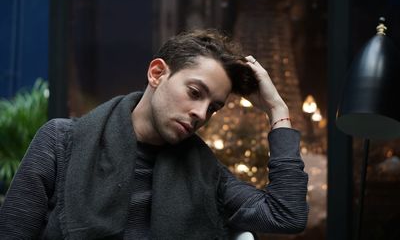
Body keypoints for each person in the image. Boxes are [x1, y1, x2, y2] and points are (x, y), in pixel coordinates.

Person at [0, 29, 308, 239]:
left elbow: (286, 216)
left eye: (213, 107)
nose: (201, 114)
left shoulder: (205, 172)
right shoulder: (61, 142)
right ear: (157, 73)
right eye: (194, 92)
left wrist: (277, 111)